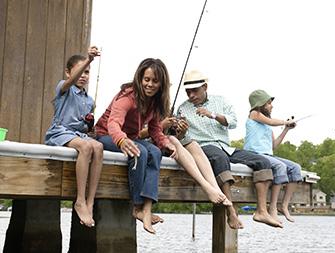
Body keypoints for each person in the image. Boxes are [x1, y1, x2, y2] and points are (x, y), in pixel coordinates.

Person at [177, 70, 282, 229]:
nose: (191, 95)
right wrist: (180, 131)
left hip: (226, 147)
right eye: (188, 91)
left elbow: (232, 122)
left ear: (205, 87)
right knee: (220, 158)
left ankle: (261, 211)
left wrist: (212, 114)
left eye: (195, 90)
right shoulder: (182, 109)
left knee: (262, 161)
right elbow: (181, 138)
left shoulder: (221, 101)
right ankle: (231, 211)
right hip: (203, 147)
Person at [95, 58, 177, 234]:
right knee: (139, 151)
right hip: (106, 135)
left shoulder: (154, 103)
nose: (150, 84)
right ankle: (137, 206)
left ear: (161, 84)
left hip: (130, 137)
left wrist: (165, 144)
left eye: (155, 81)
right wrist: (122, 140)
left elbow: (155, 130)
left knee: (155, 151)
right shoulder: (127, 97)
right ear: (140, 78)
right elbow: (113, 123)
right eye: (146, 79)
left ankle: (147, 208)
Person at [45, 46, 103, 228]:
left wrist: (89, 127)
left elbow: (85, 128)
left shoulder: (89, 100)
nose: (83, 75)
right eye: (80, 71)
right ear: (69, 72)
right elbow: (71, 81)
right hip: (59, 132)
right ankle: (79, 200)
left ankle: (90, 201)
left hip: (77, 135)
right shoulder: (64, 88)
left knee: (98, 147)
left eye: (87, 72)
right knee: (85, 147)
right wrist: (89, 59)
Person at [139, 116, 232, 206]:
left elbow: (170, 135)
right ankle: (206, 187)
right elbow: (138, 134)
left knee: (193, 144)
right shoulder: (141, 107)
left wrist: (181, 132)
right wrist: (162, 125)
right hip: (147, 146)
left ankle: (216, 188)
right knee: (172, 140)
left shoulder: (161, 107)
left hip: (164, 143)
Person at [244, 89, 302, 222]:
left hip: (268, 155)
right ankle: (273, 208)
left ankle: (284, 205)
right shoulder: (254, 114)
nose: (272, 106)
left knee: (295, 168)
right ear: (260, 104)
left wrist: (286, 129)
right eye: (269, 103)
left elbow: (274, 146)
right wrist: (285, 122)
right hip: (254, 154)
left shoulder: (267, 125)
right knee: (280, 166)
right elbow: (272, 122)